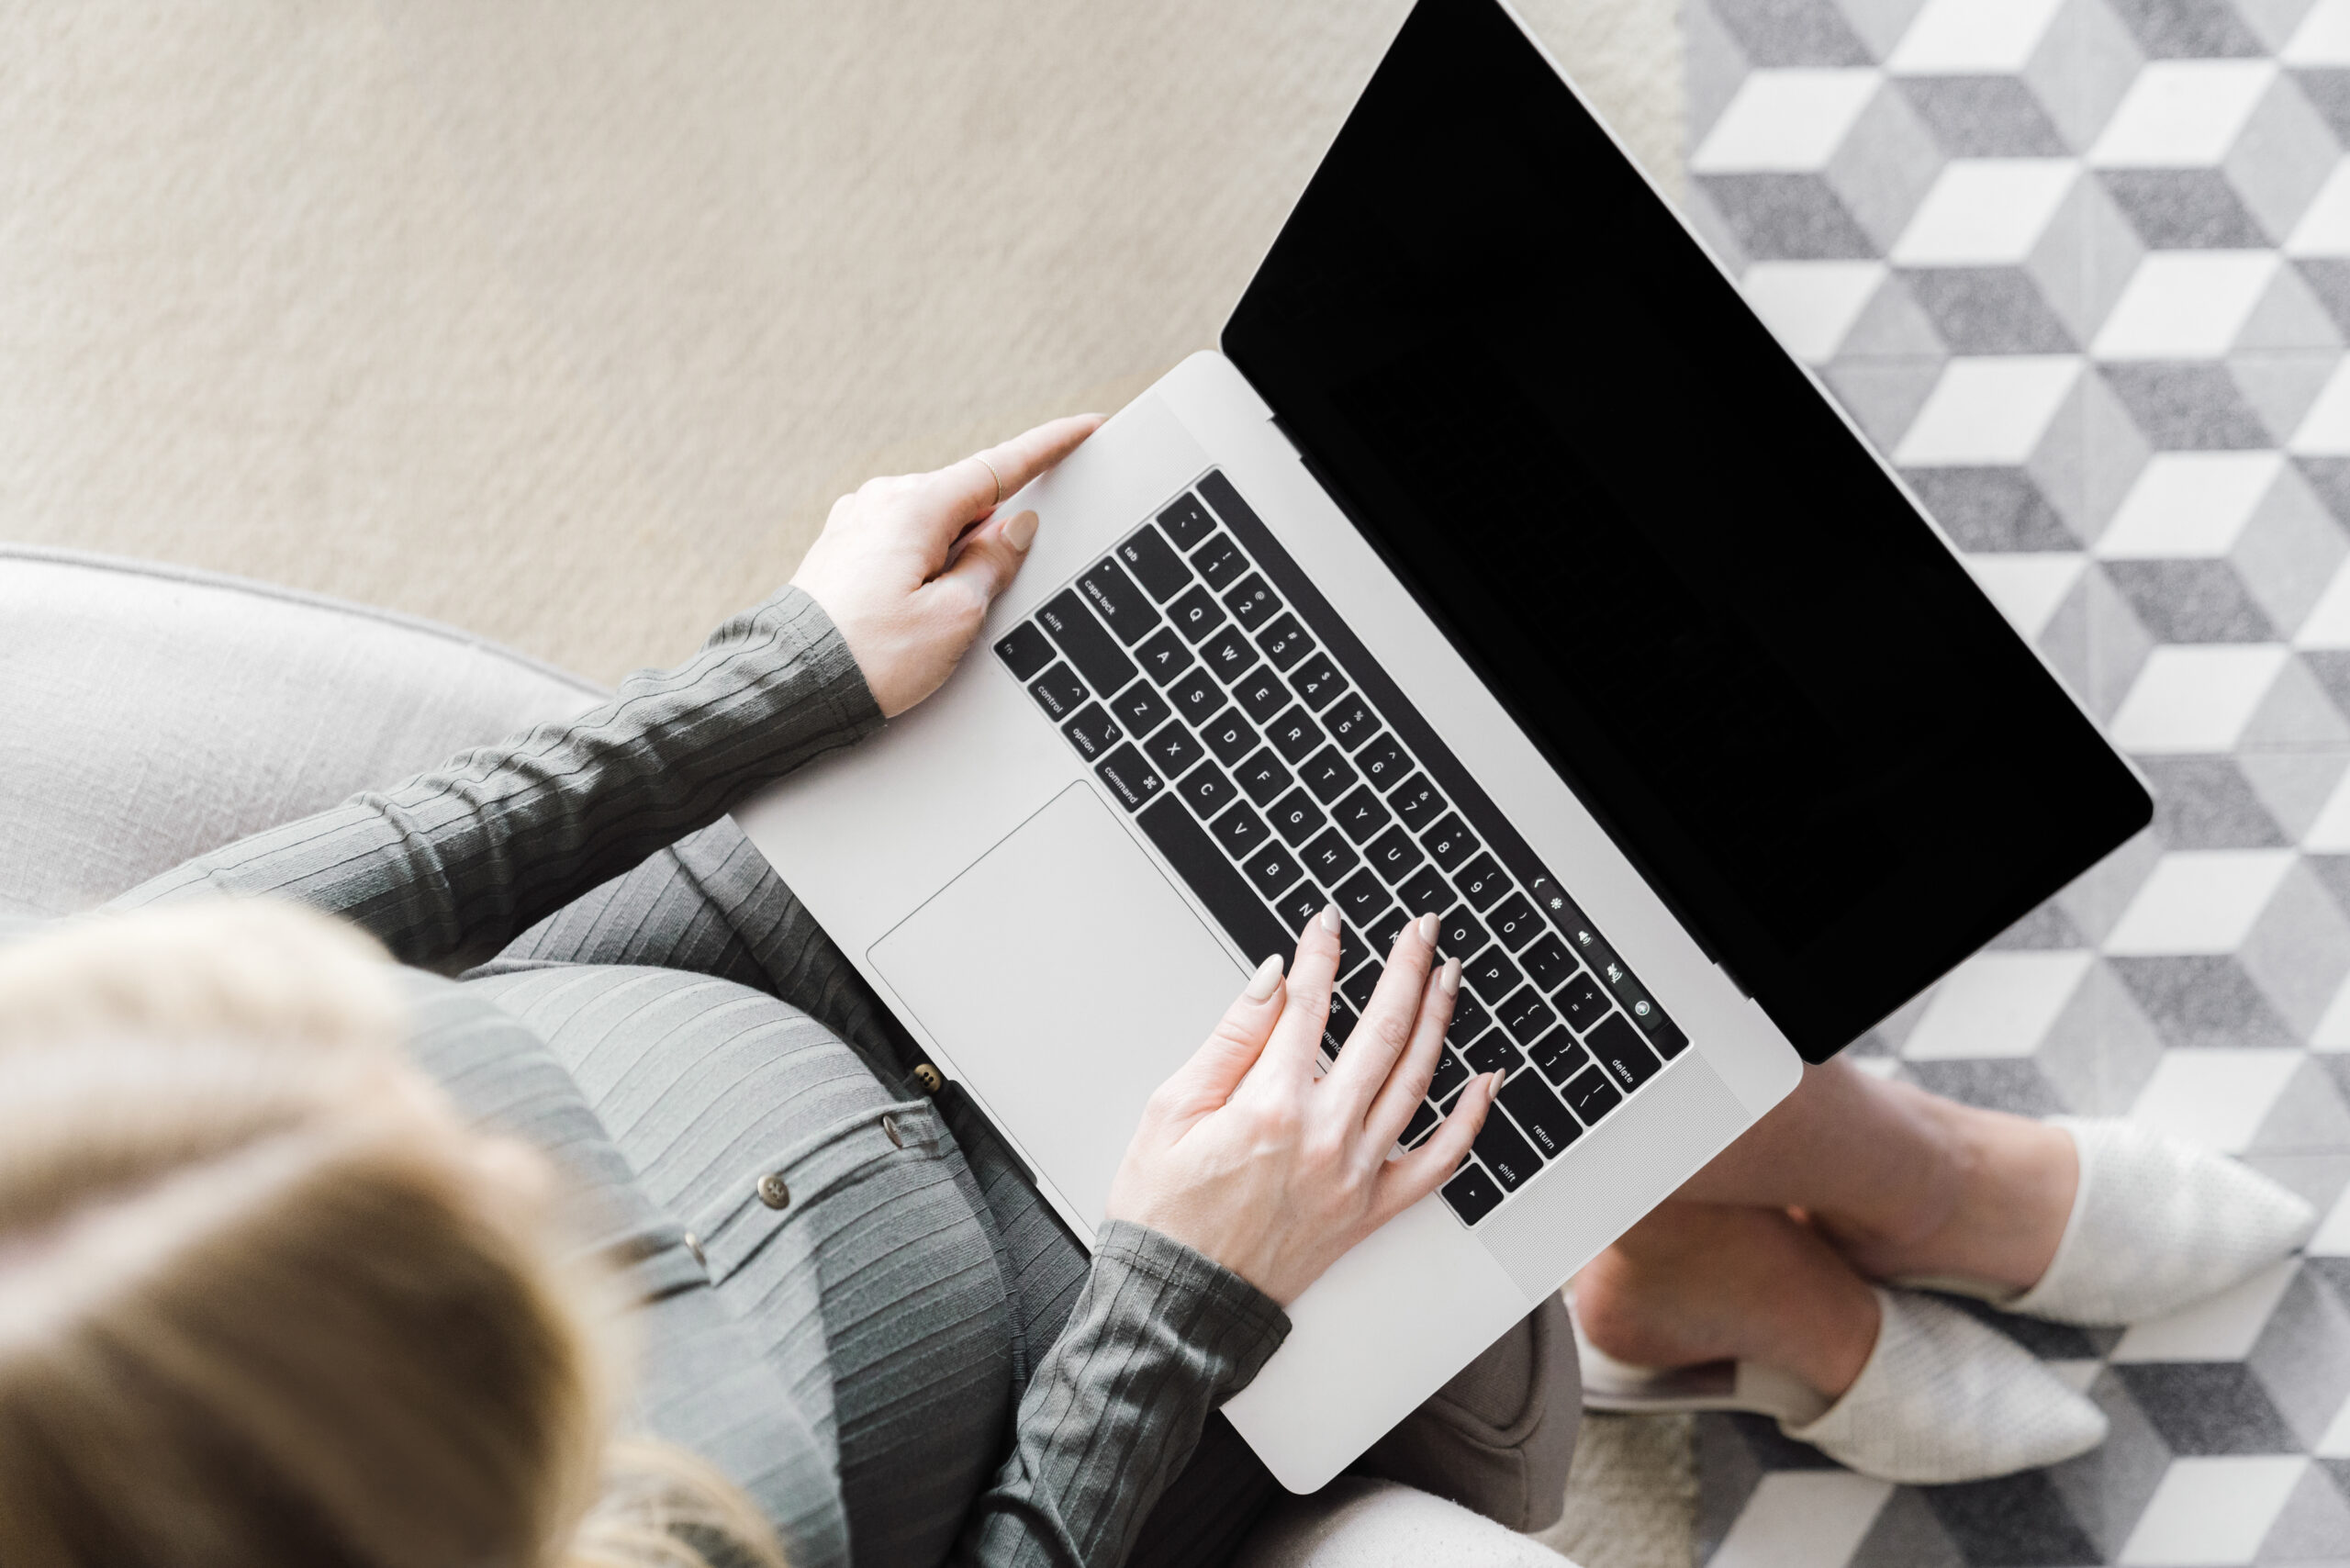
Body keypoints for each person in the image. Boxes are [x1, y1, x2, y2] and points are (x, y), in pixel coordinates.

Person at [0, 416, 1579, 1568]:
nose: (514, 1148)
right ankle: (1746, 1253)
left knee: (1319, 693)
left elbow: (322, 901)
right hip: (1049, 1363)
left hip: (718, 963)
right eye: (470, 1222)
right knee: (1513, 999)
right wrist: (1176, 1294)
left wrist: (784, 672)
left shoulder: (66, 1134)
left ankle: (1734, 1259)